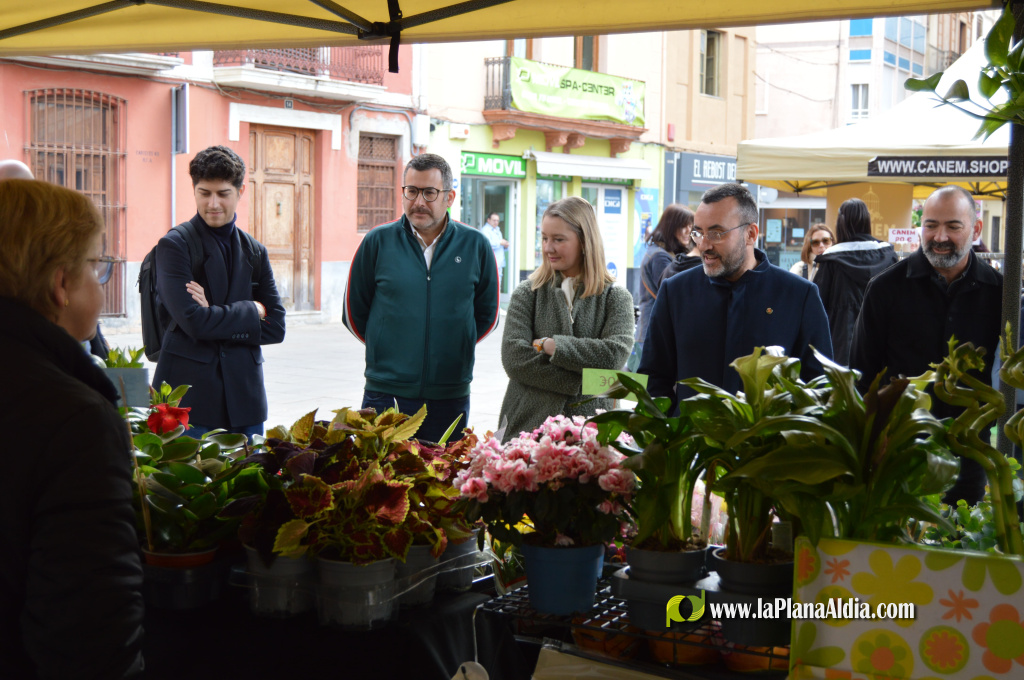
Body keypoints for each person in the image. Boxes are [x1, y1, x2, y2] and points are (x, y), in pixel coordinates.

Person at [0, 179, 144, 679]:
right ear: (61, 284)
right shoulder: (73, 418)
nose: (99, 281)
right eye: (95, 266)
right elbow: (88, 629)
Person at [850, 185, 1000, 506]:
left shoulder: (1000, 293)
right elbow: (862, 373)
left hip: (970, 454)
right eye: (931, 225)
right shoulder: (884, 289)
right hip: (901, 453)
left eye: (953, 226)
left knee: (962, 547)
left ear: (975, 229)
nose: (940, 236)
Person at [344, 153, 499, 443]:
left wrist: (453, 344)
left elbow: (487, 315)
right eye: (411, 191)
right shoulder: (377, 242)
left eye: (429, 193)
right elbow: (354, 312)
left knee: (442, 478)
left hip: (449, 394)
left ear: (449, 197)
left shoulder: (475, 244)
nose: (418, 202)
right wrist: (391, 345)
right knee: (381, 479)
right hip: (385, 392)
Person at [639, 183, 833, 409]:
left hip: (770, 443)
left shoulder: (799, 295)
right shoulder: (675, 291)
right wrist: (672, 433)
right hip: (690, 442)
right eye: (698, 232)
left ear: (750, 234)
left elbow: (819, 386)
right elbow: (653, 379)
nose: (703, 245)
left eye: (716, 233)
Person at [152, 145, 286, 438]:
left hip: (245, 401)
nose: (213, 203)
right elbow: (193, 322)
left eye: (223, 193)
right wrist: (252, 311)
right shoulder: (175, 246)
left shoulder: (255, 251)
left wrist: (211, 312)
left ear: (240, 192)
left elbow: (276, 327)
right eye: (204, 193)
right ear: (194, 190)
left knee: (249, 483)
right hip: (188, 404)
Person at [498, 196, 634, 440]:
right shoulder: (527, 293)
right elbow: (515, 359)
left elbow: (614, 355)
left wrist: (552, 345)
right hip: (527, 428)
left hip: (592, 432)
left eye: (558, 239)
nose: (548, 248)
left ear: (584, 241)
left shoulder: (616, 297)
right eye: (544, 238)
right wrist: (586, 383)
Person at [814, 198, 897, 365]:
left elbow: (817, 308)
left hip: (842, 349)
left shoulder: (832, 261)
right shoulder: (889, 258)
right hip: (884, 346)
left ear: (840, 223)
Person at [635, 204, 694, 354]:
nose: (689, 231)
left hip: (651, 331)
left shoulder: (658, 251)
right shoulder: (660, 256)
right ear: (671, 227)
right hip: (652, 334)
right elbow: (673, 293)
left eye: (691, 226)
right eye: (684, 226)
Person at [479, 212, 509, 285]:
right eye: (494, 220)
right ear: (488, 220)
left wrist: (505, 245)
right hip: (491, 262)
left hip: (499, 262)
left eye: (497, 220)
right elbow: (487, 244)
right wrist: (500, 242)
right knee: (492, 283)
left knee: (498, 283)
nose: (496, 222)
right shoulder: (485, 230)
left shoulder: (497, 230)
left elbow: (500, 245)